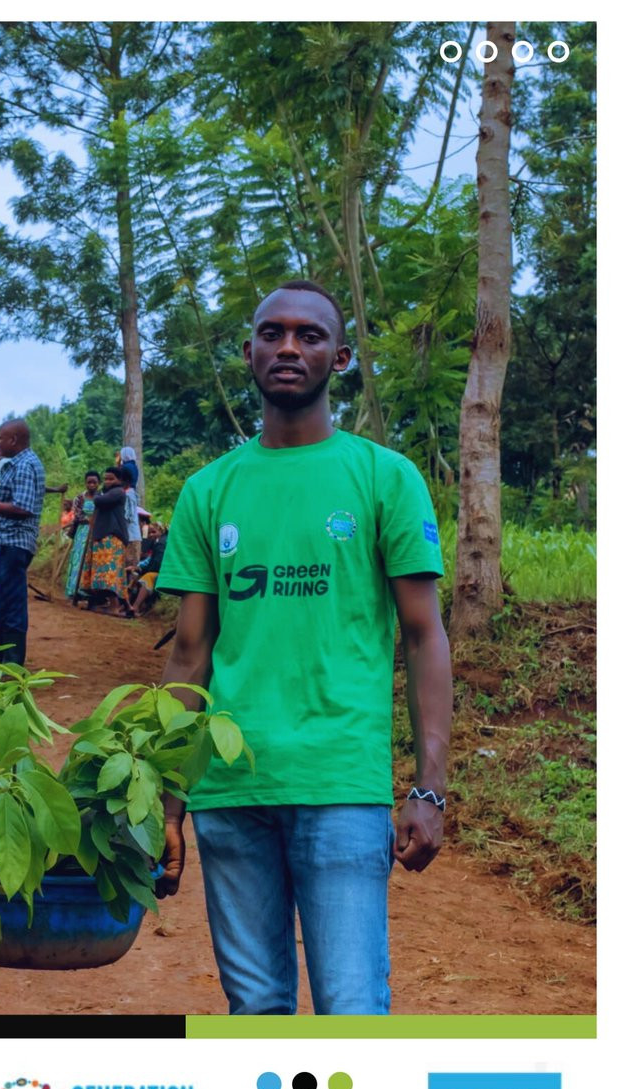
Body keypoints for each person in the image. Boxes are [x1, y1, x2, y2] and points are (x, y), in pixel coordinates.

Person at [155, 280, 451, 1016]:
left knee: (352, 1008)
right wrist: (166, 798)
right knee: (255, 1009)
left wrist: (428, 788)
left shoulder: (385, 478)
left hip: (339, 786)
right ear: (249, 352)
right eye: (273, 333)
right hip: (231, 792)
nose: (288, 347)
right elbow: (189, 654)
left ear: (339, 357)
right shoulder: (208, 491)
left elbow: (424, 636)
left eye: (309, 335)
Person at [0, 418, 45, 666]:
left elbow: (23, 508)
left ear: (13, 440)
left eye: (1, 438)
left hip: (12, 542)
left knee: (10, 603)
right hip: (3, 542)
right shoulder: (16, 464)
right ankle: (2, 658)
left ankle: (11, 664)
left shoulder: (24, 465)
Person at [78, 466, 134, 618]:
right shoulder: (110, 492)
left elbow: (99, 500)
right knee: (111, 574)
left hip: (111, 537)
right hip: (105, 536)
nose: (107, 482)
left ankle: (115, 606)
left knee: (109, 573)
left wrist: (97, 494)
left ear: (119, 480)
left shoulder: (117, 492)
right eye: (106, 479)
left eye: (111, 479)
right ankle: (125, 606)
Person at [64, 470, 100, 604]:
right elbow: (77, 514)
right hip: (81, 532)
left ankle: (86, 592)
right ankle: (74, 590)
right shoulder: (79, 498)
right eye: (89, 482)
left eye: (94, 482)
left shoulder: (101, 497)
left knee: (90, 561)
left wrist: (94, 521)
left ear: (99, 483)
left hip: (95, 532)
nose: (91, 485)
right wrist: (87, 520)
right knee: (78, 560)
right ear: (85, 483)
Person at [130, 520, 167, 615]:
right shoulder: (159, 542)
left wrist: (143, 570)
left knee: (148, 577)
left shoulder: (161, 544)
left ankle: (135, 607)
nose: (151, 535)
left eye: (154, 532)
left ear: (161, 531)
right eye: (150, 532)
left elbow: (157, 564)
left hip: (164, 572)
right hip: (162, 570)